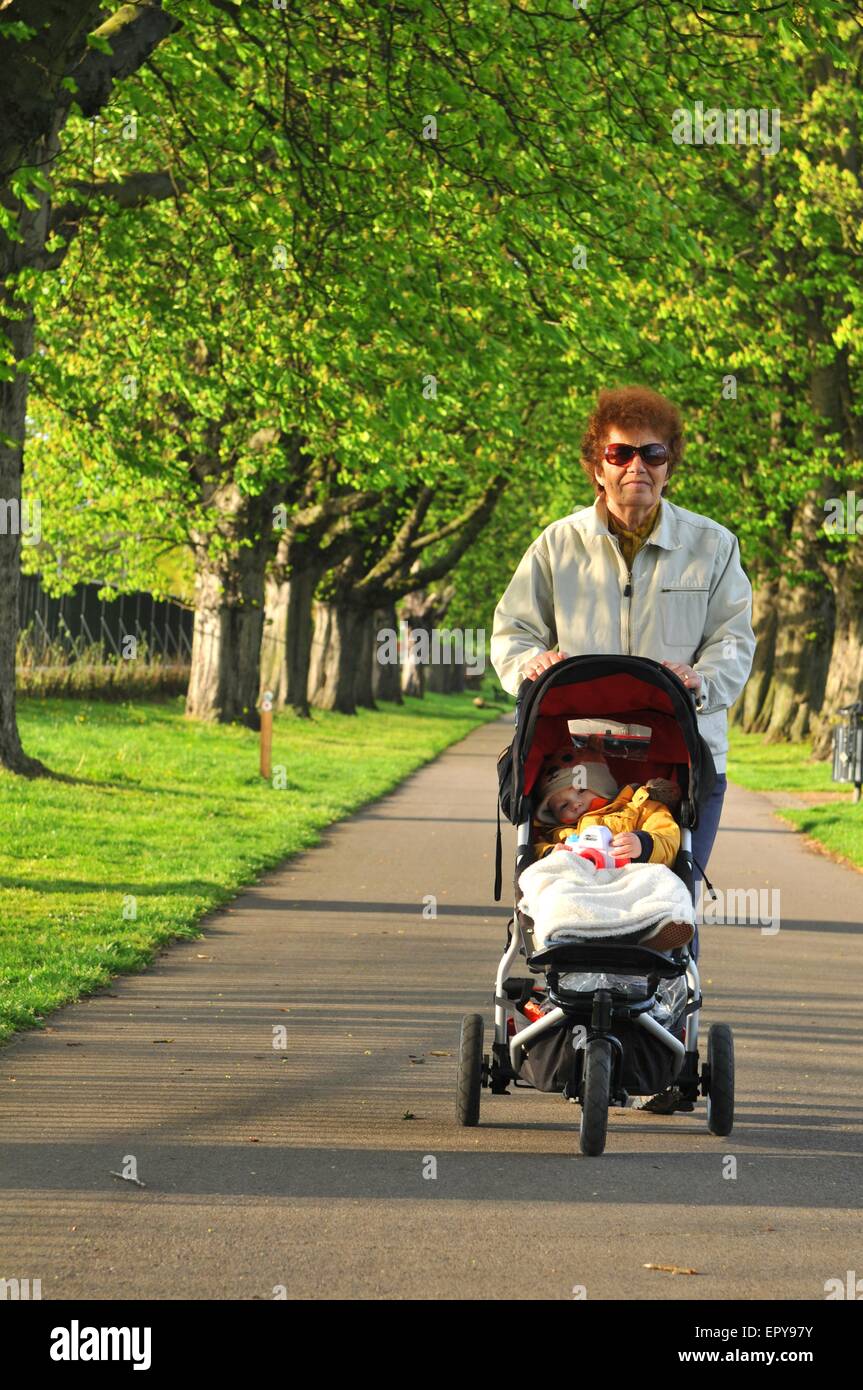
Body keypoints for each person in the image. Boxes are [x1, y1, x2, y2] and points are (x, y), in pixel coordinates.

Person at [491, 385, 755, 1112]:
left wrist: (703, 679)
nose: (636, 466)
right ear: (595, 466)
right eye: (619, 453)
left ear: (669, 466)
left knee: (675, 894)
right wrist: (530, 668)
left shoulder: (712, 545)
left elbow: (735, 637)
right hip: (573, 760)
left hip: (682, 757)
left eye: (652, 453)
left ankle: (667, 1055)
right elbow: (510, 632)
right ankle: (554, 1011)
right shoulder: (556, 545)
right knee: (552, 875)